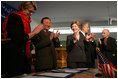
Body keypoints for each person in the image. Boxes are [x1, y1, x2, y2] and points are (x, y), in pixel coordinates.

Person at [1, 1, 44, 77]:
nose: (31, 14)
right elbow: (19, 38)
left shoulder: (26, 20)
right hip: (14, 57)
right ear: (23, 8)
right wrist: (34, 32)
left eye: (32, 12)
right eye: (29, 11)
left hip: (24, 56)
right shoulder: (14, 17)